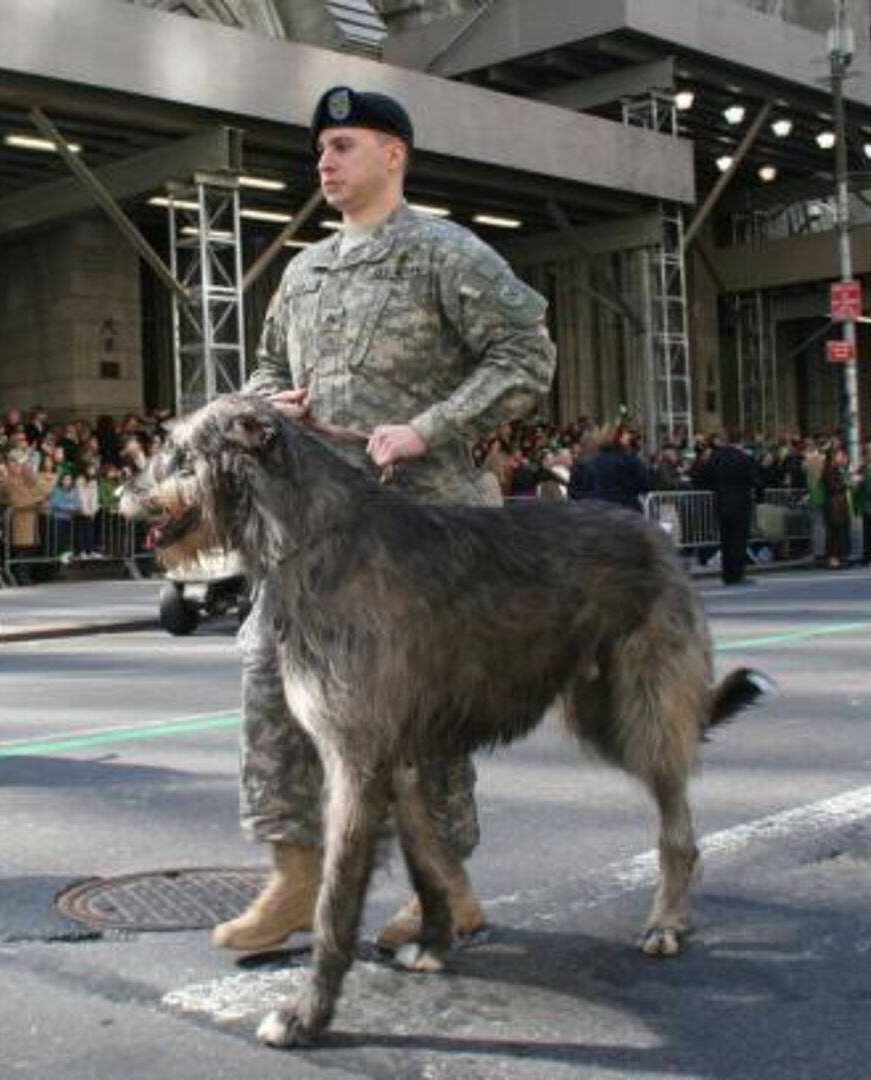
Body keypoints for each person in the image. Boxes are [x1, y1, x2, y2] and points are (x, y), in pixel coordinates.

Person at [217, 85, 556, 954]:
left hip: (424, 527)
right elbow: (261, 371)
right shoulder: (304, 270)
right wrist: (270, 403)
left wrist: (429, 427)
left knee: (416, 709)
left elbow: (527, 355)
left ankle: (448, 887)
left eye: (343, 145)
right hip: (318, 533)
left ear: (393, 154)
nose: (324, 162)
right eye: (321, 148)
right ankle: (295, 876)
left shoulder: (446, 253)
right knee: (266, 672)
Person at [692, 429, 761, 584]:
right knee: (739, 541)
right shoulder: (745, 458)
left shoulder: (715, 457)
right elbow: (755, 481)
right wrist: (758, 495)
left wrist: (717, 488)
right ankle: (738, 574)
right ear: (741, 442)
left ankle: (727, 574)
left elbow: (704, 478)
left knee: (726, 540)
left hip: (722, 503)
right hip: (741, 503)